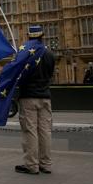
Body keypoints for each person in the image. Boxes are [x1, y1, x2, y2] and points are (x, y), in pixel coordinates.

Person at [15, 25, 55, 175]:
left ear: (28, 36)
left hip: (28, 97)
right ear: (42, 36)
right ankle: (46, 164)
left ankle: (32, 165)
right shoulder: (50, 54)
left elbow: (18, 74)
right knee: (45, 131)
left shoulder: (25, 52)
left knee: (30, 131)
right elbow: (50, 75)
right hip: (45, 97)